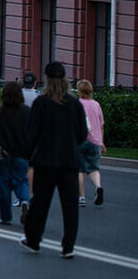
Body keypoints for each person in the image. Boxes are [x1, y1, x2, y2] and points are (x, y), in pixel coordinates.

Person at [21, 62, 87, 258]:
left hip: (45, 161)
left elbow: (31, 133)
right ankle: (68, 246)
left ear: (47, 79)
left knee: (40, 204)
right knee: (70, 207)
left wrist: (31, 155)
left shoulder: (41, 103)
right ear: (65, 79)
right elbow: (83, 134)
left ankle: (33, 241)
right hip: (69, 161)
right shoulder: (74, 103)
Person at [0, 82, 32, 225]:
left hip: (3, 154)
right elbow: (31, 134)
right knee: (21, 180)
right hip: (22, 154)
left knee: (3, 185)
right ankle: (25, 200)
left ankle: (6, 216)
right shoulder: (27, 112)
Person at [76, 79, 105, 206]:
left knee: (79, 170)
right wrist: (102, 142)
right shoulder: (96, 104)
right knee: (93, 168)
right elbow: (101, 125)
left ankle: (81, 198)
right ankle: (98, 187)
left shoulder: (78, 104)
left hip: (81, 140)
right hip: (96, 141)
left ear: (79, 91)